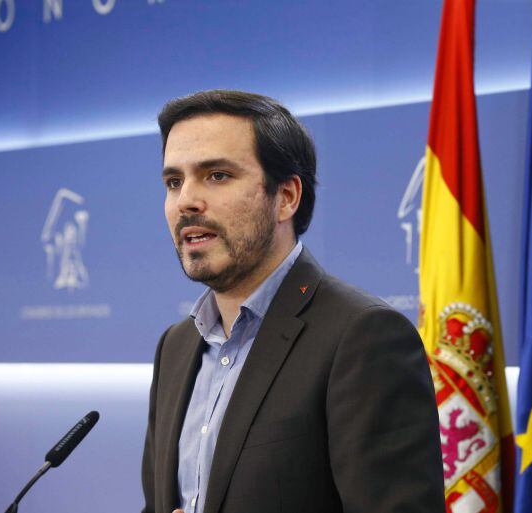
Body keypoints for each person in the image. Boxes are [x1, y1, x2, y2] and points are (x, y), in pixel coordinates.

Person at [141, 89, 444, 513]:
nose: (186, 200)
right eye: (174, 182)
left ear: (286, 197)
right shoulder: (175, 347)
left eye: (217, 175)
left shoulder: (363, 337)